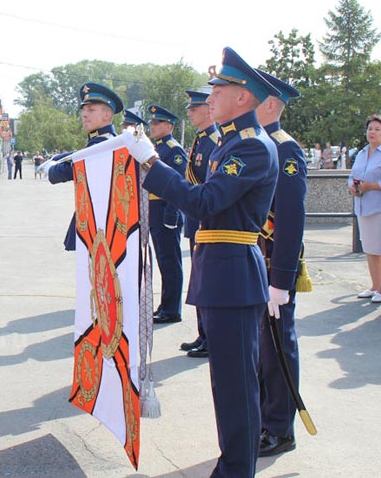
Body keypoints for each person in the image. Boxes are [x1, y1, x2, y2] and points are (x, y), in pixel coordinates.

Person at [124, 47, 281, 477]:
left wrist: (152, 165)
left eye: (219, 88)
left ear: (243, 97)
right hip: (219, 270)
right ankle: (232, 464)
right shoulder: (229, 141)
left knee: (236, 388)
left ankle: (236, 470)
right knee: (226, 385)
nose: (210, 97)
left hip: (233, 273)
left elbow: (206, 201)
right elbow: (201, 207)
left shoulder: (250, 148)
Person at [254, 70, 307, 457]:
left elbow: (290, 220)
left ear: (270, 104)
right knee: (259, 348)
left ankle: (279, 428)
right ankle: (262, 419)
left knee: (276, 348)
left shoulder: (285, 149)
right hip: (253, 260)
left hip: (274, 264)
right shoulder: (254, 143)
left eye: (252, 97)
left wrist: (282, 280)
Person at [47, 82, 124, 251]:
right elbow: (77, 156)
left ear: (107, 114)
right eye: (83, 110)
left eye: (91, 110)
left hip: (98, 224)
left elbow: (65, 172)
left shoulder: (102, 143)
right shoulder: (104, 140)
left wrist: (49, 168)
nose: (84, 115)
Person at [179, 90, 220, 357]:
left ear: (208, 110)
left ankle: (211, 336)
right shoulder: (201, 140)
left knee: (207, 282)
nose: (190, 112)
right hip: (196, 219)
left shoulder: (215, 141)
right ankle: (202, 332)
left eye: (195, 108)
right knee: (199, 280)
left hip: (206, 220)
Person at [146, 104, 188, 324]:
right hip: (154, 210)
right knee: (163, 261)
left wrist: (172, 215)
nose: (152, 126)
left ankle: (172, 308)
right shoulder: (157, 148)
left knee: (170, 262)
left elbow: (178, 184)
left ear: (169, 126)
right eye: (151, 123)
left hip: (165, 210)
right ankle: (165, 305)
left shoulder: (174, 150)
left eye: (157, 123)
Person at [349, 114, 381, 303]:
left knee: (379, 249)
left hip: (378, 207)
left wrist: (373, 186)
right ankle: (374, 285)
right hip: (362, 206)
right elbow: (352, 175)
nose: (373, 132)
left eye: (377, 129)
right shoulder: (361, 153)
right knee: (370, 248)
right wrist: (352, 186)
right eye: (370, 129)